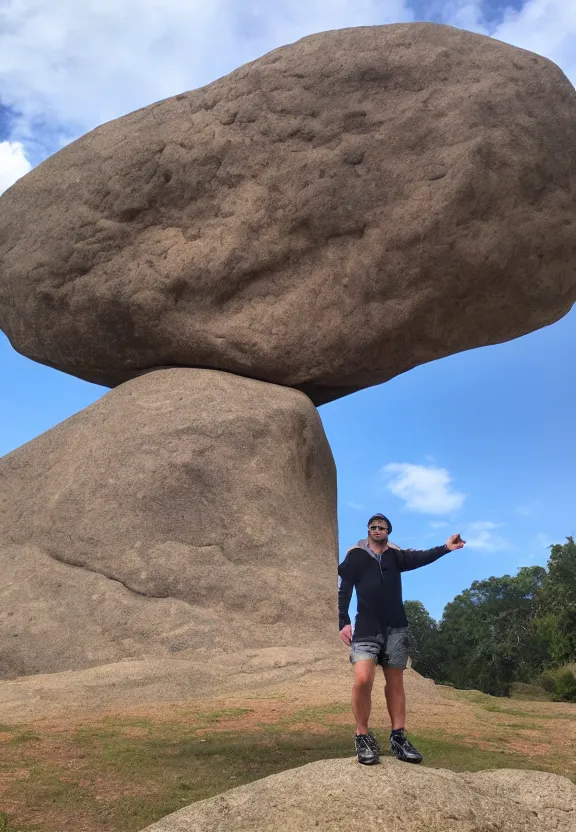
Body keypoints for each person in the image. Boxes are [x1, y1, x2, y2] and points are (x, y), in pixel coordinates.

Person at [338, 512, 465, 765]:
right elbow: (345, 588)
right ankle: (362, 736)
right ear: (368, 530)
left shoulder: (396, 556)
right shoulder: (356, 555)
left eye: (382, 527)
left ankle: (398, 737)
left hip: (396, 626)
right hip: (366, 627)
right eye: (373, 527)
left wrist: (446, 548)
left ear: (388, 531)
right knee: (363, 680)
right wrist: (344, 621)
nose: (377, 530)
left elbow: (420, 557)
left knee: (395, 683)